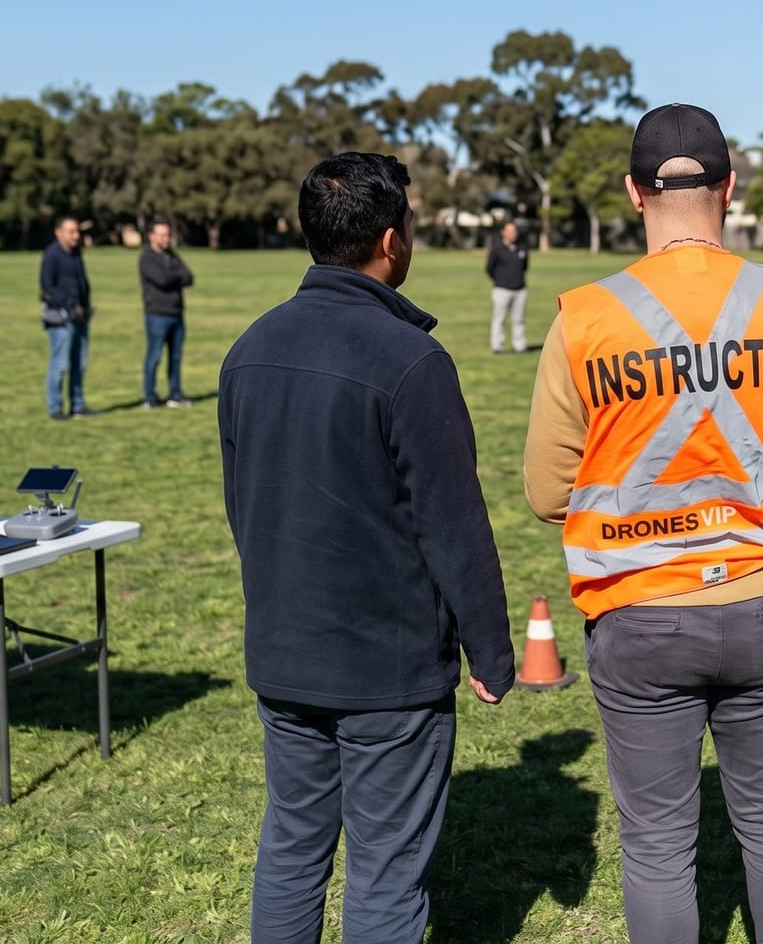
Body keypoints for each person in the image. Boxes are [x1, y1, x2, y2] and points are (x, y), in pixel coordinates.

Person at [524, 103, 763, 944]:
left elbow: (546, 490)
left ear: (635, 193)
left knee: (657, 847)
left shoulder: (585, 316)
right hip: (761, 601)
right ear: (730, 188)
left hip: (639, 610)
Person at [219, 151, 515, 944]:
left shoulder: (248, 348)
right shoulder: (410, 360)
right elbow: (454, 524)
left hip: (285, 652)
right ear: (393, 239)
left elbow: (240, 506)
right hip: (387, 670)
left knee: (291, 846)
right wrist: (491, 649)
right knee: (385, 870)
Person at [39, 216, 93, 420]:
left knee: (80, 363)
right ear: (58, 232)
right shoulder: (52, 254)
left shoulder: (76, 254)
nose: (76, 236)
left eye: (77, 231)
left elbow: (82, 282)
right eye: (71, 232)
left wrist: (86, 305)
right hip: (60, 318)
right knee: (60, 364)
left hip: (80, 316)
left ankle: (78, 405)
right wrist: (69, 304)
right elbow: (47, 286)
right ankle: (55, 407)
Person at [138, 218, 195, 409]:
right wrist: (176, 277)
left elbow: (189, 277)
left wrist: (174, 278)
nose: (166, 238)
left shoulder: (172, 255)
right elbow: (162, 280)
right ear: (151, 236)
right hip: (157, 314)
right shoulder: (147, 258)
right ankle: (150, 396)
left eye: (168, 234)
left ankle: (175, 394)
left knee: (176, 357)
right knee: (154, 357)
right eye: (162, 235)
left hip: (176, 312)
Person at [485, 220, 529, 354]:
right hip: (502, 290)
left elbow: (525, 267)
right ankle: (497, 346)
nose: (512, 234)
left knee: (519, 320)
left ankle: (520, 346)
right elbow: (489, 268)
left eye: (514, 231)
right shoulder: (497, 249)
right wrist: (500, 280)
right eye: (509, 231)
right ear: (503, 232)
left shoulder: (522, 248)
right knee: (499, 319)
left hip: (520, 290)